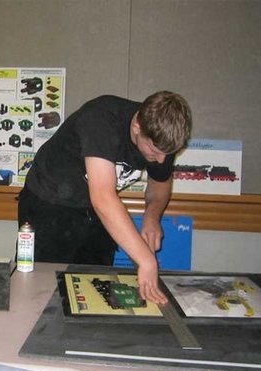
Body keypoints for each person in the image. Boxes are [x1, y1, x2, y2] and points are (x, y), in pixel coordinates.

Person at [18, 91, 192, 304]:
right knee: (44, 292)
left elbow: (160, 181)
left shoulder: (162, 135)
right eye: (154, 151)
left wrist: (152, 216)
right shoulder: (100, 120)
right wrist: (147, 261)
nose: (161, 159)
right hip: (49, 202)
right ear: (137, 127)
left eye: (167, 153)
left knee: (97, 287)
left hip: (93, 207)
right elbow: (102, 198)